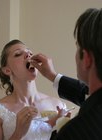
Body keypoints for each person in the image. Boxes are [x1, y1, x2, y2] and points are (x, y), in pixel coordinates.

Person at [31, 8, 102, 140]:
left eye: (77, 47)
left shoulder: (75, 132)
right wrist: (53, 76)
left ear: (86, 59)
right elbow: (85, 94)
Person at [0, 39, 70, 140]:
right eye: (18, 54)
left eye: (30, 52)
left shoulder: (57, 105)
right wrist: (19, 133)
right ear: (7, 70)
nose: (28, 55)